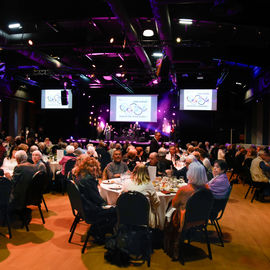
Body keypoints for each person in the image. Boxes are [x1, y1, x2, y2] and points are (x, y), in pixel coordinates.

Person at [164, 161, 209, 260]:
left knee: (167, 213)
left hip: (185, 220)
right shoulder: (207, 189)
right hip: (201, 218)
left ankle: (169, 244)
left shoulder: (185, 189)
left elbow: (174, 204)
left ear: (190, 174)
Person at [72, 155, 116, 243]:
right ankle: (98, 234)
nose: (94, 168)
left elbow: (93, 196)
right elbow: (98, 200)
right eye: (91, 166)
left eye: (95, 165)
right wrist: (108, 205)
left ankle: (97, 232)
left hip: (84, 208)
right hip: (91, 211)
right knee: (116, 210)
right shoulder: (88, 180)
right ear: (85, 167)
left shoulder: (81, 176)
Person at [121, 163, 160, 228]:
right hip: (143, 216)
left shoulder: (126, 182)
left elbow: (120, 198)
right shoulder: (148, 185)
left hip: (127, 215)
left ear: (134, 171)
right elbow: (156, 202)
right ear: (147, 172)